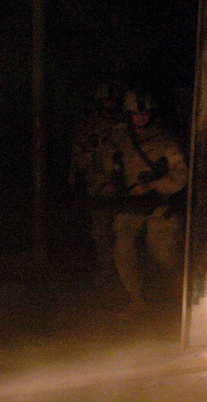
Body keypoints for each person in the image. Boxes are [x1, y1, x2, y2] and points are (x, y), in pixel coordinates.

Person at [98, 88, 189, 318]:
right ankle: (136, 299)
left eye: (145, 113)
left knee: (164, 250)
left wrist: (152, 185)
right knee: (122, 248)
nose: (141, 117)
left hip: (159, 202)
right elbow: (105, 163)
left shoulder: (165, 140)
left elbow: (181, 174)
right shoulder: (120, 138)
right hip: (131, 203)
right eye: (136, 113)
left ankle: (177, 297)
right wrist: (109, 181)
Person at [69, 81, 123, 294]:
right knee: (101, 234)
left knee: (121, 234)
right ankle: (108, 274)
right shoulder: (88, 126)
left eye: (111, 100)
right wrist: (77, 180)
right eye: (104, 100)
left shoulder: (124, 124)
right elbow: (80, 155)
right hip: (97, 189)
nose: (108, 104)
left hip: (122, 189)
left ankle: (124, 276)